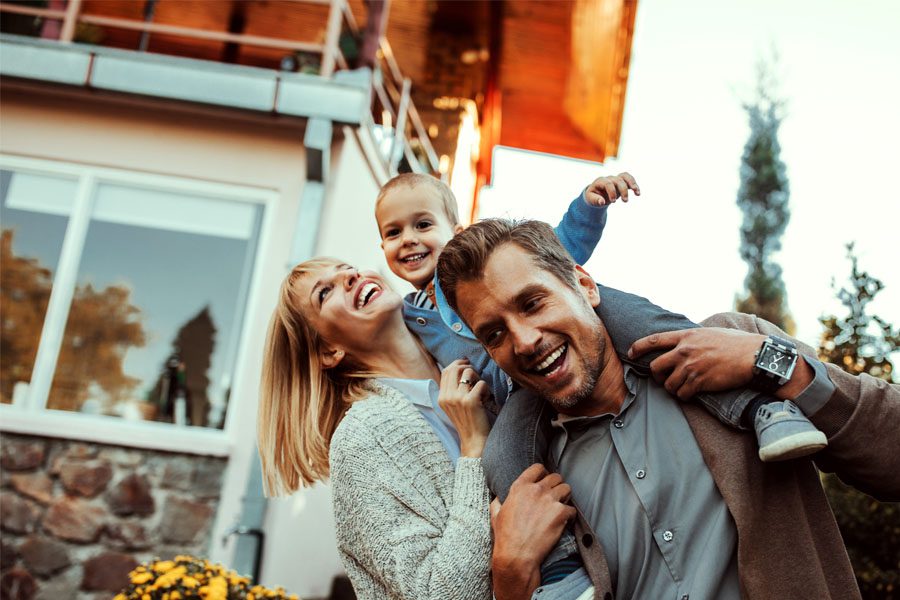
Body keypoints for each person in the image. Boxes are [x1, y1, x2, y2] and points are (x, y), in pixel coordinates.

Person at [436, 218, 900, 600]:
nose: (525, 340)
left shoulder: (732, 347)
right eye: (494, 334)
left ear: (584, 285)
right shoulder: (527, 485)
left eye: (533, 303)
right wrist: (511, 579)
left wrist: (775, 365)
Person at [257, 258, 513, 599]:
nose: (350, 276)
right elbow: (438, 593)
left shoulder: (481, 359)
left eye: (346, 268)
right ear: (329, 350)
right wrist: (473, 449)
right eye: (325, 292)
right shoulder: (362, 438)